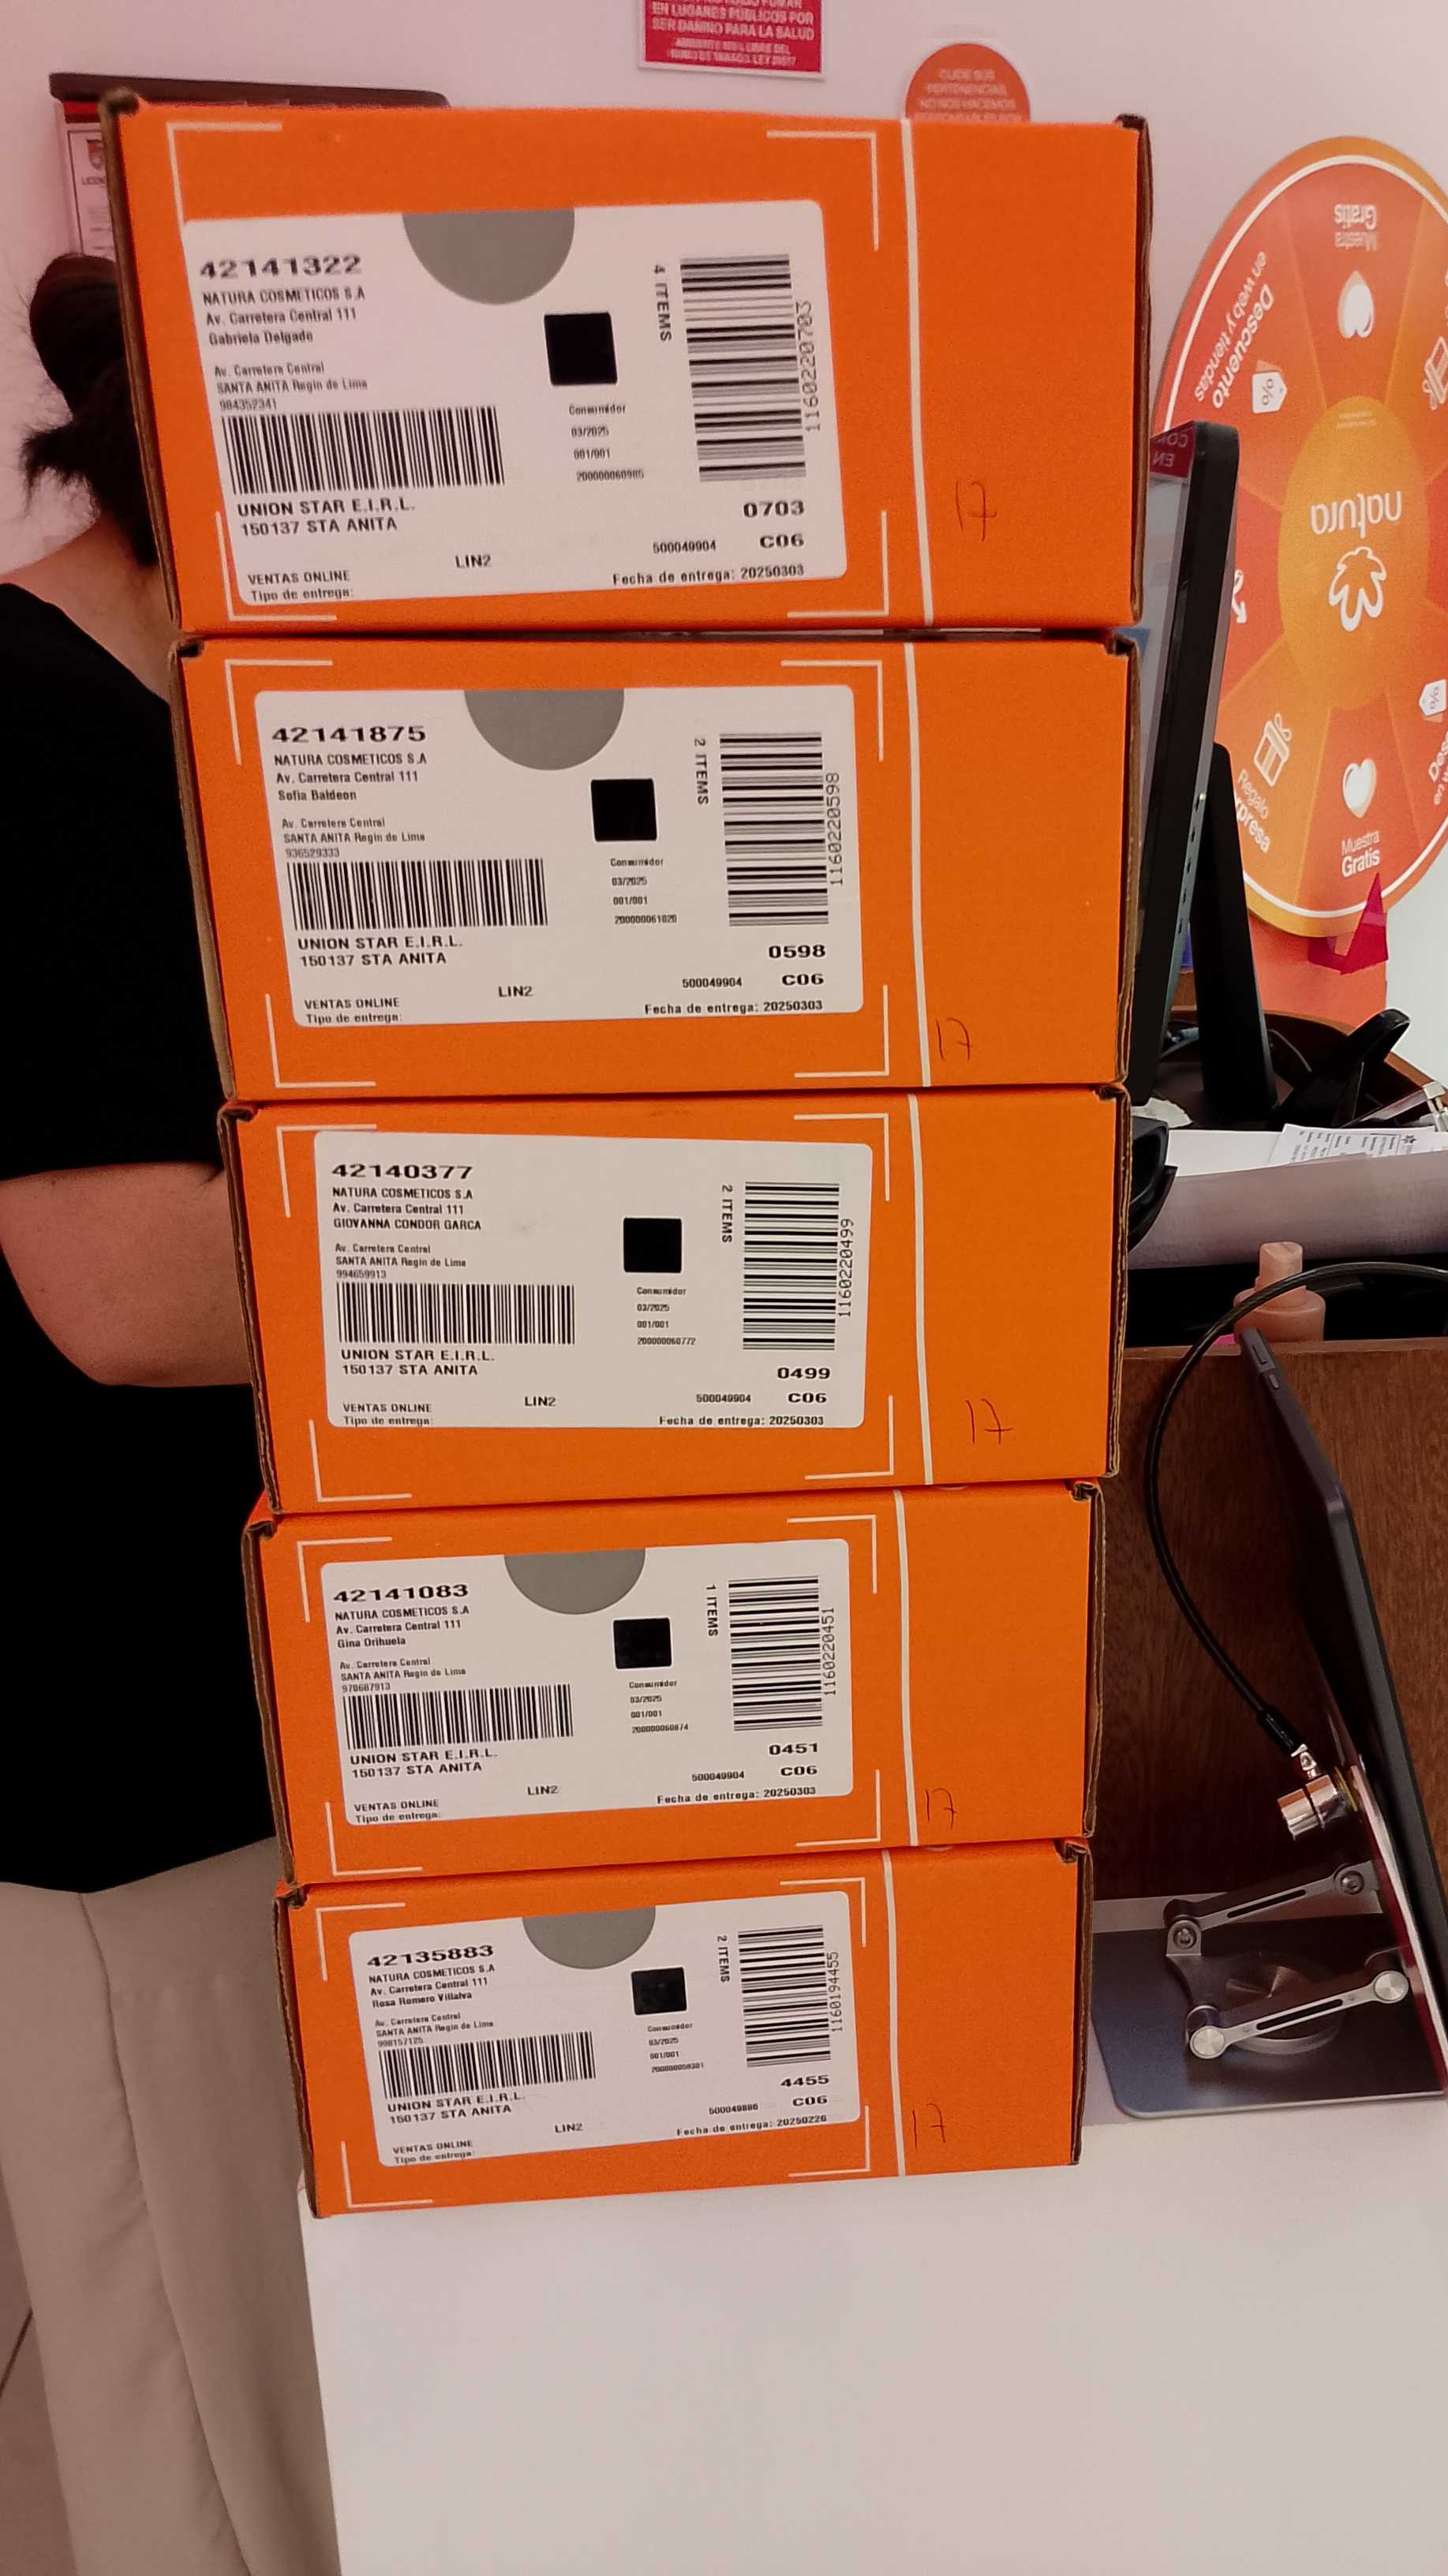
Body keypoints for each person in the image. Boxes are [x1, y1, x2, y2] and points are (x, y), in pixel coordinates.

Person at [0, 255, 339, 2576]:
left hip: (244, 1730)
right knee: (214, 2461)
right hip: (127, 1757)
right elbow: (121, 1281)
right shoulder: (37, 738)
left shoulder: (183, 715)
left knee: (195, 2410)